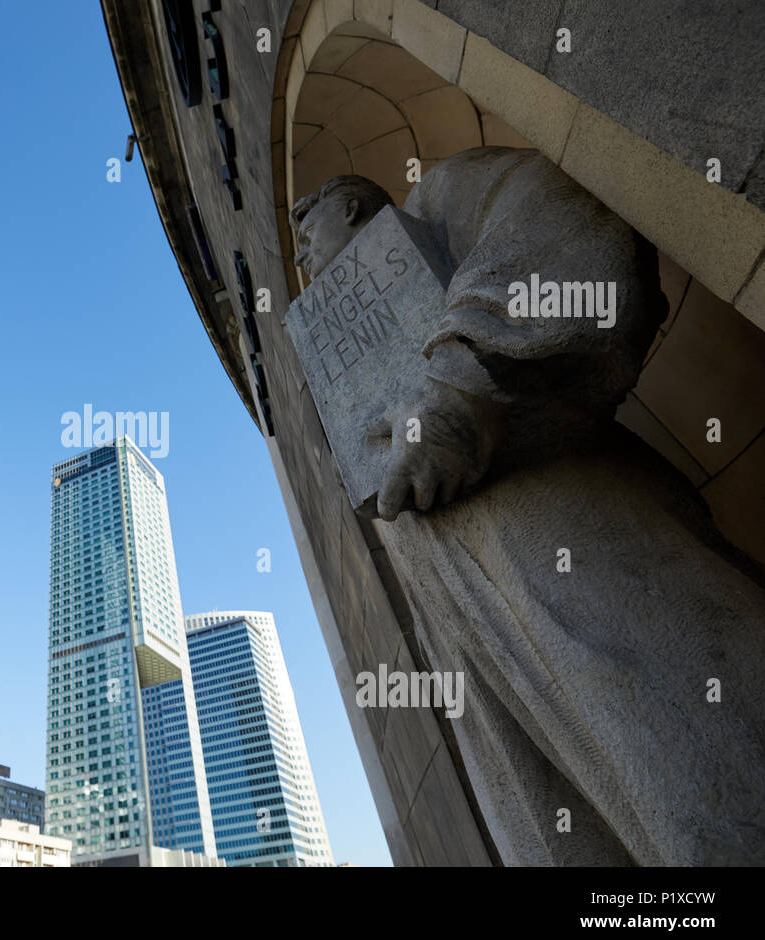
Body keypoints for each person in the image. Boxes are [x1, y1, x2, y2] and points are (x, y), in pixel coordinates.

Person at [290, 146, 765, 864]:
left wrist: (461, 389)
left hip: (562, 520)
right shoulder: (334, 344)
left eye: (306, 235)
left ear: (349, 206)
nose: (300, 259)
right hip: (462, 620)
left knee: (688, 759)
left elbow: (559, 212)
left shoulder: (438, 203)